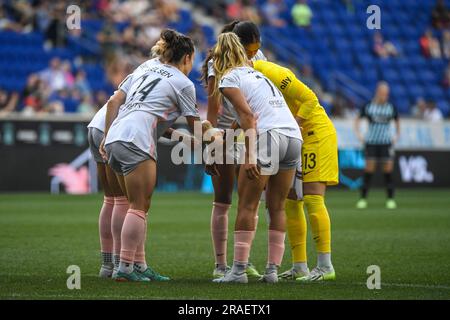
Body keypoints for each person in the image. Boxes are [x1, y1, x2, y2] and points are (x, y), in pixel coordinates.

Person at [100, 29, 200, 282]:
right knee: (138, 207)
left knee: (131, 204)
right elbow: (196, 125)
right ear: (187, 57)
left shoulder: (146, 67)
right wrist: (219, 141)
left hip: (115, 136)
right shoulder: (183, 83)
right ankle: (124, 268)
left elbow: (113, 103)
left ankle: (136, 265)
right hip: (137, 140)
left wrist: (106, 136)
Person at [211, 33, 302, 283]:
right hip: (293, 137)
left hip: (269, 137)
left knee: (247, 205)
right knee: (277, 206)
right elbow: (241, 122)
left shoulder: (229, 78)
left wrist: (249, 156)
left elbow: (249, 118)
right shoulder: (259, 75)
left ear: (219, 57)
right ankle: (272, 271)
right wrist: (218, 150)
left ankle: (238, 270)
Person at [253, 60, 338, 282]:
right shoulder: (247, 81)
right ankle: (300, 266)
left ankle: (325, 266)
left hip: (314, 134)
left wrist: (295, 124)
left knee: (312, 198)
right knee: (290, 201)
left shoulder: (270, 71)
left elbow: (310, 98)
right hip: (293, 137)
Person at [201, 20, 266, 279]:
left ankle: (243, 260)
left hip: (249, 131)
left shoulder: (259, 57)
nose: (253, 54)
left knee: (250, 203)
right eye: (249, 50)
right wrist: (210, 142)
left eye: (256, 49)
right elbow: (213, 107)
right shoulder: (216, 62)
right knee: (223, 200)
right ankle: (220, 265)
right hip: (226, 134)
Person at [87, 102, 130, 279]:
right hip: (112, 128)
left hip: (96, 124)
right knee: (122, 200)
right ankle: (119, 265)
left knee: (110, 199)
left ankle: (106, 265)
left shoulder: (140, 76)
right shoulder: (174, 82)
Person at [355, 82, 400, 210]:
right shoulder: (369, 106)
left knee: (388, 172)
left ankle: (390, 199)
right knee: (369, 171)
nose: (384, 95)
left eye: (386, 93)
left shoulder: (390, 107)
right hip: (371, 143)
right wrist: (359, 135)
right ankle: (363, 199)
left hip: (386, 143)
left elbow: (397, 121)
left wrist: (396, 136)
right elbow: (357, 120)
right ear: (377, 92)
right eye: (382, 93)